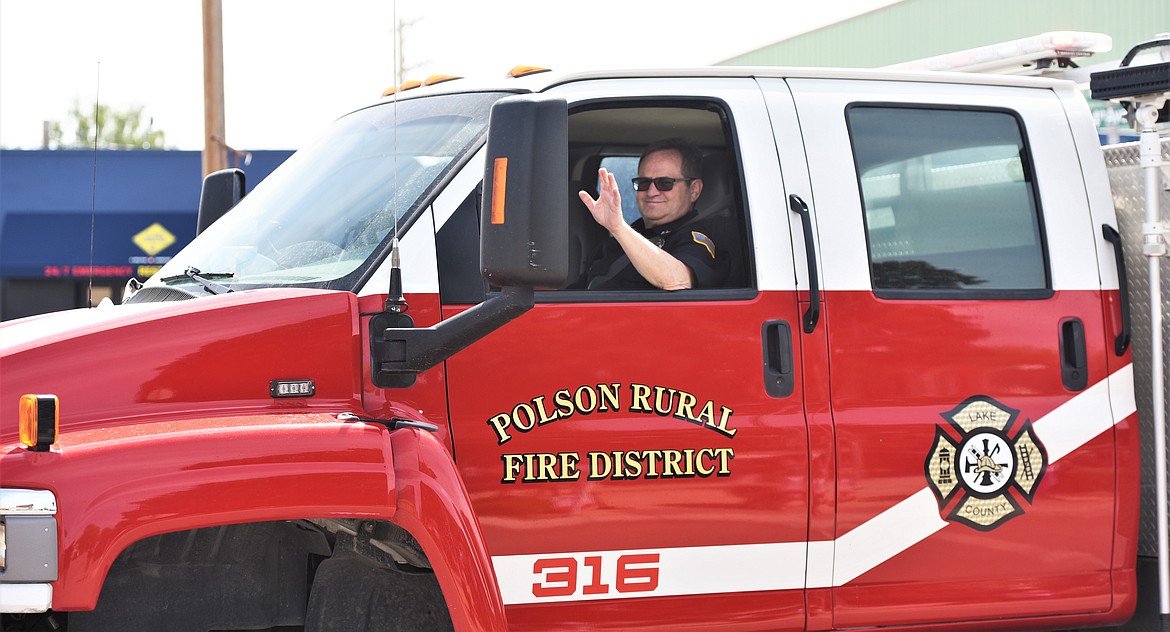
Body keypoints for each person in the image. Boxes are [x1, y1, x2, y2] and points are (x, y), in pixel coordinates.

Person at [578, 138, 726, 290]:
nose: (651, 192)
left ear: (694, 190)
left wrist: (618, 227)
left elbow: (677, 281)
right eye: (643, 182)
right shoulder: (621, 239)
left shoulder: (696, 240)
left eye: (665, 183)